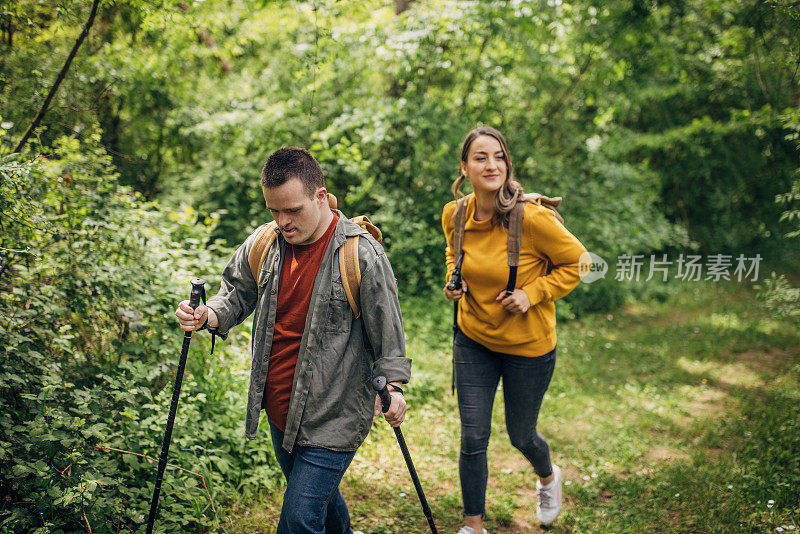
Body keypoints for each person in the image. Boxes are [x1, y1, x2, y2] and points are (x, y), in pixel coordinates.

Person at [176, 147, 411, 534]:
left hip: (334, 414)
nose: (282, 222)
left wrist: (395, 387)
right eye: (274, 211)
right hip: (280, 410)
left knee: (300, 519)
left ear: (320, 196)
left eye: (292, 210)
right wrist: (208, 314)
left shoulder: (361, 254)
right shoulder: (265, 243)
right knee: (320, 500)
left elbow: (389, 332)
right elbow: (235, 294)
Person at [442, 127, 587, 533]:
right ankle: (473, 524)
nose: (492, 165)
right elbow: (454, 252)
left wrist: (533, 293)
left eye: (499, 157)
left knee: (521, 435)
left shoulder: (532, 218)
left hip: (529, 347)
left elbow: (582, 263)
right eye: (481, 157)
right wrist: (454, 280)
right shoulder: (454, 214)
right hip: (473, 340)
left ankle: (547, 477)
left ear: (507, 164)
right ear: (464, 168)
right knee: (473, 438)